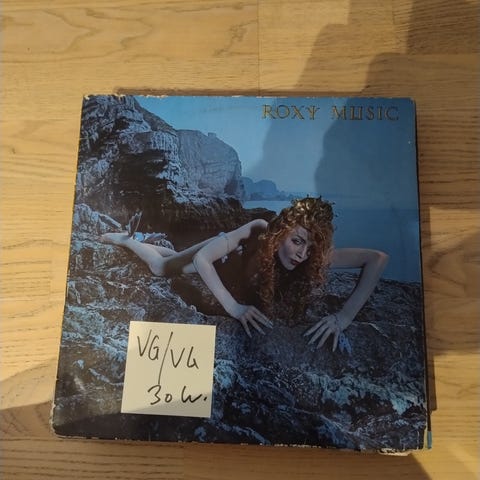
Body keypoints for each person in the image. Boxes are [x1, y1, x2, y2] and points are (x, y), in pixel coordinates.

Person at [101, 197, 388, 351]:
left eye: (310, 247)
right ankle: (126, 240)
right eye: (297, 241)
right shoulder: (259, 230)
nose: (302, 254)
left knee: (176, 260)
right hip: (220, 259)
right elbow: (203, 259)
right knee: (162, 267)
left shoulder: (307, 256)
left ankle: (160, 246)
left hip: (223, 276)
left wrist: (343, 318)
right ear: (282, 232)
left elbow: (377, 259)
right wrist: (235, 308)